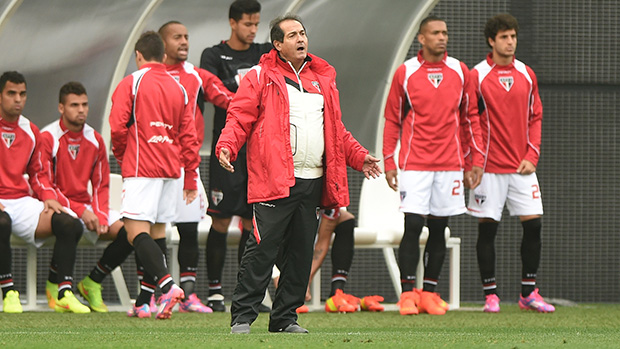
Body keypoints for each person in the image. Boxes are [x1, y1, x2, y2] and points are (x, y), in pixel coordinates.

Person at [218, 14, 382, 334]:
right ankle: (242, 317)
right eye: (292, 35)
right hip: (275, 180)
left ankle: (284, 319)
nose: (300, 39)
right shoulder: (260, 76)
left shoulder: (322, 78)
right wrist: (227, 145)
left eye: (303, 33)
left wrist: (359, 157)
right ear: (277, 44)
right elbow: (239, 118)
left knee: (300, 254)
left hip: (314, 181)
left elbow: (336, 131)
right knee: (262, 250)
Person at [382, 15, 484, 316]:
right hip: (415, 163)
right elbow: (392, 119)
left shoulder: (460, 71)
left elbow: (470, 119)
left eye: (445, 33)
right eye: (436, 33)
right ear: (421, 38)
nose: (442, 37)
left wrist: (475, 161)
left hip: (450, 164)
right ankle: (407, 294)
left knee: (440, 227)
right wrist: (389, 159)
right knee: (413, 225)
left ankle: (429, 292)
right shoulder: (406, 72)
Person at [143, 20, 236, 314]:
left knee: (188, 228)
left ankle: (188, 295)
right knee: (154, 230)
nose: (184, 42)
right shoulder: (145, 77)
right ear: (162, 43)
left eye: (186, 36)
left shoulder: (196, 76)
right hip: (154, 166)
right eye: (176, 37)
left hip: (186, 167)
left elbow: (227, 99)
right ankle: (155, 293)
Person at [109, 31, 200, 319]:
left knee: (136, 232)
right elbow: (190, 136)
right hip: (171, 171)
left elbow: (117, 127)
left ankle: (167, 285)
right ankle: (143, 302)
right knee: (158, 232)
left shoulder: (132, 82)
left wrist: (124, 156)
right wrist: (189, 177)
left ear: (138, 55)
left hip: (142, 168)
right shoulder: (180, 88)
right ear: (163, 55)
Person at [466, 14, 553, 313]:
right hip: (488, 169)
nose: (510, 42)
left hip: (521, 168)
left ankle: (529, 293)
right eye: (504, 37)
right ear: (492, 41)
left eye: (513, 36)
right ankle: (491, 295)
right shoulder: (476, 76)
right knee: (487, 230)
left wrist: (533, 154)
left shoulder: (527, 74)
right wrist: (475, 161)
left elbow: (535, 116)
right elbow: (469, 121)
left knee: (534, 225)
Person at [199, 0, 273, 312]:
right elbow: (211, 89)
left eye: (256, 24)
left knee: (249, 220)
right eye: (247, 24)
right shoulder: (213, 55)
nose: (253, 30)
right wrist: (246, 98)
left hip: (256, 150)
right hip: (226, 147)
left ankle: (246, 290)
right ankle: (214, 291)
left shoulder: (264, 52)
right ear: (232, 23)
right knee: (220, 219)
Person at [38, 81, 134, 313]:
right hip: (55, 205)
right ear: (61, 108)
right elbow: (44, 183)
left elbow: (101, 184)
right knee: (69, 224)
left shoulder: (96, 139)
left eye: (84, 105)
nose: (81, 110)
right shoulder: (47, 137)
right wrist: (81, 210)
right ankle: (61, 289)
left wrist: (100, 214)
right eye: (74, 105)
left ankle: (93, 281)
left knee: (130, 232)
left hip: (87, 206)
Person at [0, 71, 87, 313]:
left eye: (22, 94)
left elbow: (39, 174)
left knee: (70, 223)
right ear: (0, 96)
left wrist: (48, 197)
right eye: (11, 93)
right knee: (1, 222)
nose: (18, 99)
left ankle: (61, 291)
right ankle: (8, 293)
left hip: (21, 200)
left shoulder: (31, 131)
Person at [296, 208, 385, 314]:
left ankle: (336, 293)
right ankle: (289, 293)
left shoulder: (331, 198)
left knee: (346, 219)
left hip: (307, 214)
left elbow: (322, 241)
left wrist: (305, 280)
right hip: (281, 214)